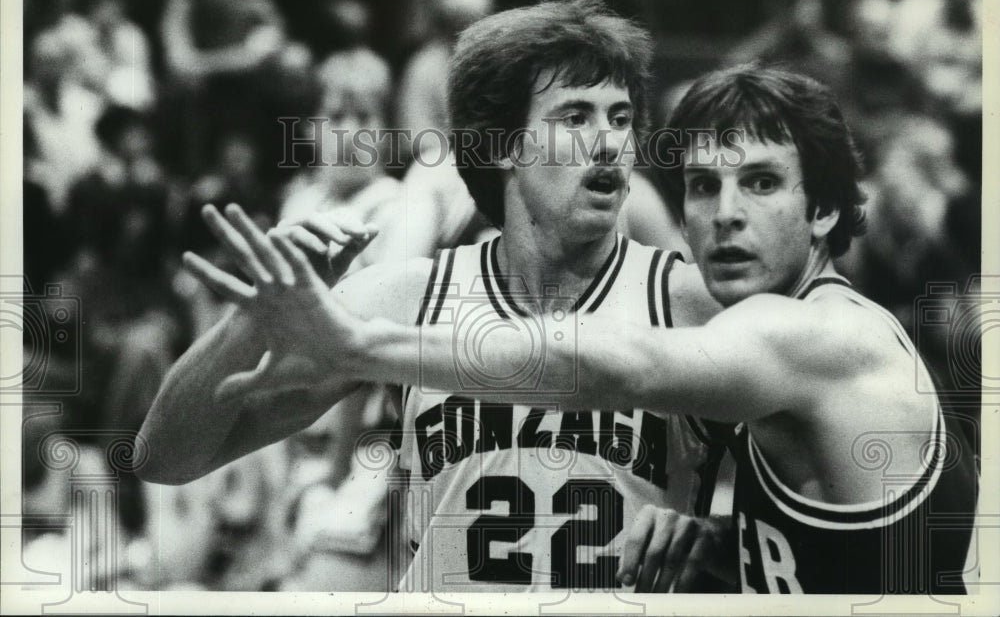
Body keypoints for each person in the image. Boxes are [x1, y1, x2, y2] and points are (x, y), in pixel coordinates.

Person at [189, 65, 977, 595]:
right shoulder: (787, 336)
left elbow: (617, 365)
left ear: (827, 210)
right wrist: (721, 541)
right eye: (702, 186)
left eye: (762, 183)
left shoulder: (813, 333)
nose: (725, 213)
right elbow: (844, 566)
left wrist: (363, 347)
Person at [138, 0, 725, 592]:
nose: (609, 144)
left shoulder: (689, 303)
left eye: (621, 119)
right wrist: (252, 321)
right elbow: (165, 458)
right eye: (575, 117)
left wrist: (717, 537)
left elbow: (809, 501)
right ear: (501, 145)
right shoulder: (410, 297)